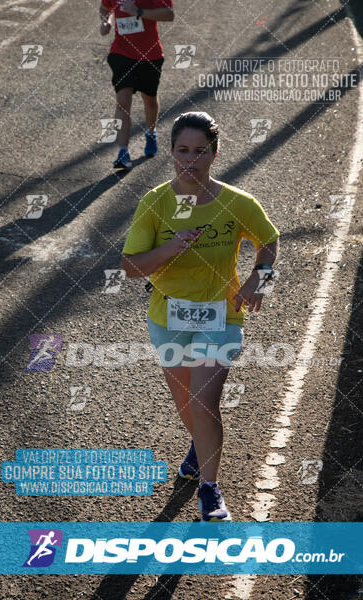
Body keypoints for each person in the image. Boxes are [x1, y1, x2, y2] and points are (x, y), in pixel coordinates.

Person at [122, 112, 280, 522]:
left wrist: (258, 281)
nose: (190, 160)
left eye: (200, 152)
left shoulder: (237, 202)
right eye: (182, 151)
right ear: (171, 152)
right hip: (167, 317)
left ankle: (209, 490)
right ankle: (201, 446)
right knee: (186, 406)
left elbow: (269, 239)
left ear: (214, 153)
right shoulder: (155, 203)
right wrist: (169, 249)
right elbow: (131, 267)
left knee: (203, 402)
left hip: (220, 316)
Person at [99, 0, 174, 169]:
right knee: (123, 102)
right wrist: (106, 22)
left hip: (150, 55)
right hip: (121, 52)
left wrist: (139, 11)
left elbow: (169, 14)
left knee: (150, 99)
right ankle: (123, 153)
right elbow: (105, 8)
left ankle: (151, 133)